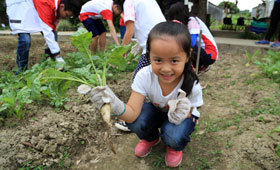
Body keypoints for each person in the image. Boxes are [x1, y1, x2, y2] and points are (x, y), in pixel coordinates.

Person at [89, 21, 203, 167]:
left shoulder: (191, 83)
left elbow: (191, 111)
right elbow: (132, 114)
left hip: (179, 117)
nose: (166, 69)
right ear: (149, 56)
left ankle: (174, 146)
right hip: (158, 110)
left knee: (173, 135)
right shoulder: (144, 76)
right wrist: (114, 104)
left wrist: (183, 112)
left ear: (187, 56)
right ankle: (151, 138)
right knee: (136, 121)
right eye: (158, 60)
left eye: (174, 60)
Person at [6, 0, 82, 73]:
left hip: (32, 9)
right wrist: (58, 55)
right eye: (67, 15)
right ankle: (21, 69)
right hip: (19, 8)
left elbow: (50, 28)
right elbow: (47, 30)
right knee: (25, 40)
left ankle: (49, 62)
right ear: (62, 6)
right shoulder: (46, 3)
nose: (66, 18)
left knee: (53, 34)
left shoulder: (55, 5)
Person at [113, 0, 166, 79]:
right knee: (159, 78)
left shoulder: (129, 2)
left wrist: (121, 52)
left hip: (153, 46)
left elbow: (129, 31)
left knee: (138, 80)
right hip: (168, 40)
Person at [167, 2, 218, 75]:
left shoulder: (192, 21)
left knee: (185, 46)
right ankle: (199, 66)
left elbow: (192, 42)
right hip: (203, 52)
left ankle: (192, 68)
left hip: (210, 54)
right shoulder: (186, 23)